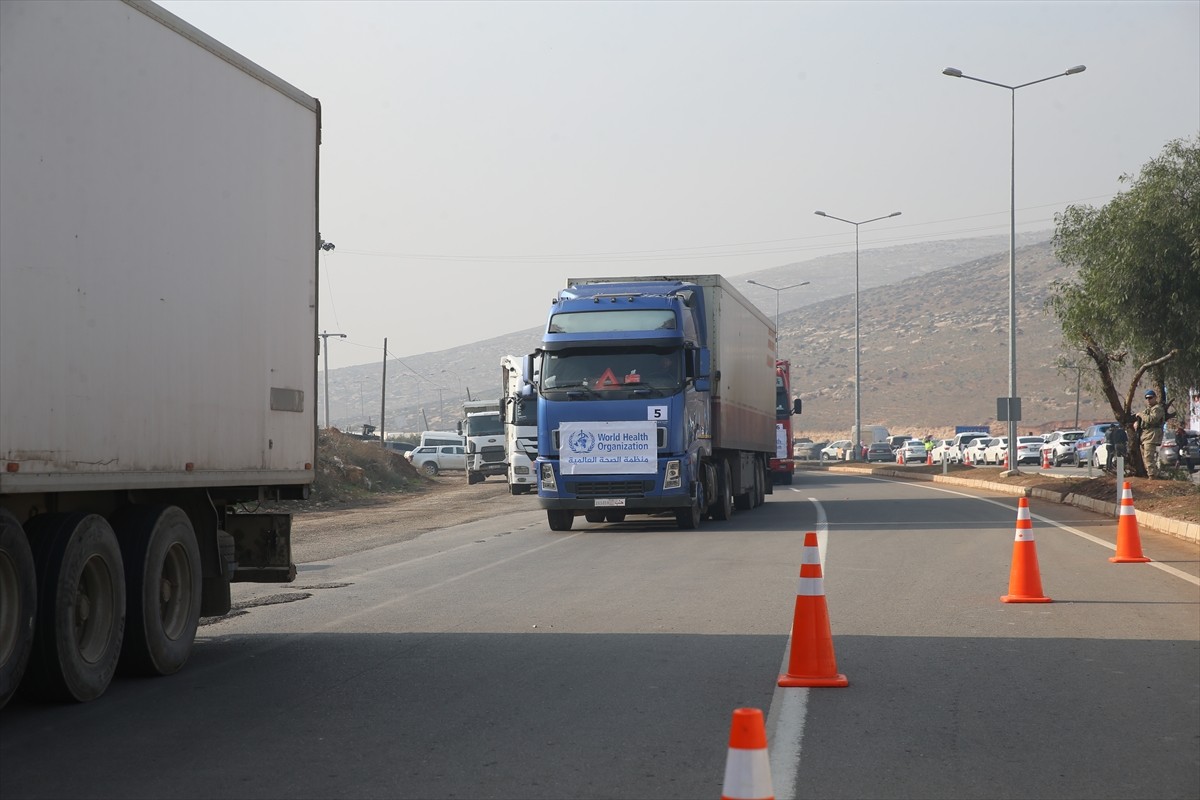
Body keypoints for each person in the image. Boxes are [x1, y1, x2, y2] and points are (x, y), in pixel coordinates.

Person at [1133, 389, 1166, 478]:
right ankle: (1152, 474)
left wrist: (1140, 415)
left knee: (1148, 456)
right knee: (1145, 456)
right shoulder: (1148, 409)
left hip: (1152, 434)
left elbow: (1152, 420)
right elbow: (1142, 419)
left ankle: (1152, 476)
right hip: (1145, 434)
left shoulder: (1157, 408)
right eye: (1147, 398)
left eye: (1150, 398)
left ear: (1155, 398)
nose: (1148, 400)